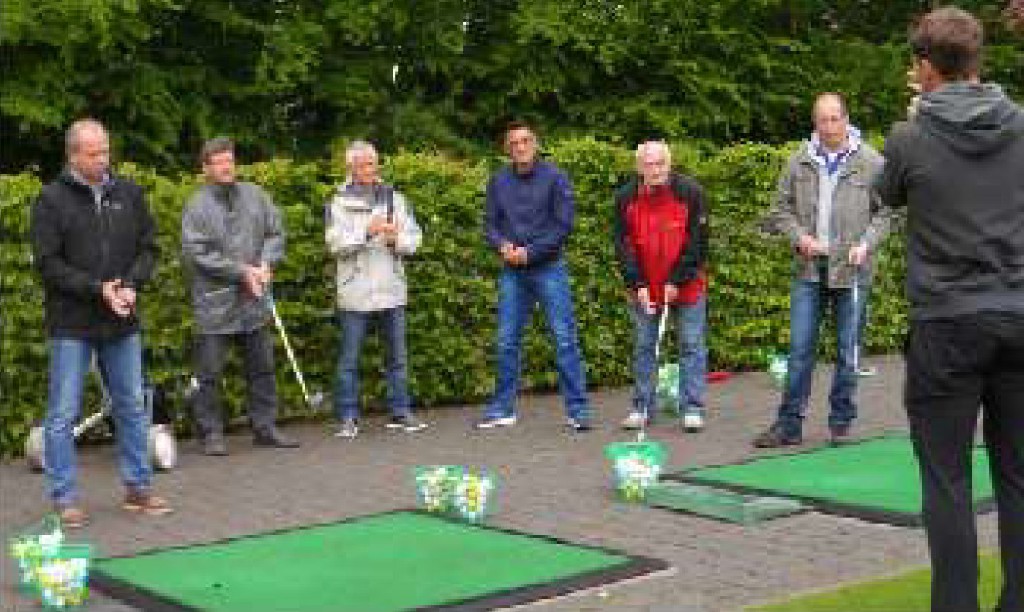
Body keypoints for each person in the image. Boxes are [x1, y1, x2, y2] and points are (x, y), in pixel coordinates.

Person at [874, 8, 1024, 611]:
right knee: (1017, 477)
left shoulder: (911, 136)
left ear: (927, 68)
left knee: (947, 480)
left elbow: (884, 195)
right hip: (1017, 314)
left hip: (946, 324)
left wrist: (917, 118)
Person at [30, 118, 172, 527]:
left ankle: (137, 488)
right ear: (73, 155)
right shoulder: (51, 200)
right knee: (63, 412)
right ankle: (65, 497)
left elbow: (149, 247)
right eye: (93, 153)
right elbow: (48, 264)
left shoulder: (129, 193)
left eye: (106, 150)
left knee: (131, 405)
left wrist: (130, 285)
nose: (102, 159)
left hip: (122, 320)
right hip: (72, 322)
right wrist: (98, 288)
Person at [755, 93, 891, 448]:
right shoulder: (799, 160)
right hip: (809, 270)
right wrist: (799, 237)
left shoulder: (872, 161)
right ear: (814, 123)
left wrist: (867, 243)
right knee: (800, 349)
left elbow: (887, 212)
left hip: (853, 270)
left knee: (848, 351)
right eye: (822, 120)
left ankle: (841, 423)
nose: (829, 127)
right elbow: (780, 209)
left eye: (835, 119)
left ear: (847, 119)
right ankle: (788, 425)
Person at [181, 137, 300, 455]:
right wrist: (241, 271)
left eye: (229, 159)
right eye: (218, 161)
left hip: (254, 300)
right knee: (209, 373)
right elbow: (196, 253)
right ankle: (210, 434)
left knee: (262, 368)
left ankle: (265, 427)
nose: (226, 166)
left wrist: (265, 263)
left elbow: (276, 232)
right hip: (214, 302)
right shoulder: (196, 206)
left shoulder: (256, 195)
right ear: (205, 168)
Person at [476, 121, 594, 432]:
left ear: (536, 143)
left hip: (548, 266)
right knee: (506, 341)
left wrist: (531, 252)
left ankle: (578, 411)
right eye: (514, 143)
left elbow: (563, 225)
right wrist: (502, 244)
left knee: (565, 339)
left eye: (525, 141)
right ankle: (502, 409)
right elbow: (490, 223)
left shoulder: (556, 177)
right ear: (507, 149)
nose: (520, 147)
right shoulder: (498, 181)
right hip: (512, 271)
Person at [325, 141, 427, 439]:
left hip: (391, 288)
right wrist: (366, 231)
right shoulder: (338, 202)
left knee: (397, 357)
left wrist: (397, 240)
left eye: (374, 162)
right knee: (349, 359)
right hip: (355, 292)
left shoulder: (395, 198)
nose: (373, 168)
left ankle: (400, 411)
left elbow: (415, 238)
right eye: (366, 164)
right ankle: (347, 417)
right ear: (352, 168)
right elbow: (335, 244)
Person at [613, 141, 709, 433]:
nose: (655, 171)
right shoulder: (625, 198)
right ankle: (643, 407)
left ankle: (692, 407)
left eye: (660, 164)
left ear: (669, 165)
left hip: (687, 284)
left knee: (691, 345)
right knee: (644, 346)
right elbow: (623, 245)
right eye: (648, 165)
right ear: (639, 168)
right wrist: (637, 283)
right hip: (645, 286)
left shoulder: (691, 193)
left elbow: (698, 243)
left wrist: (677, 280)